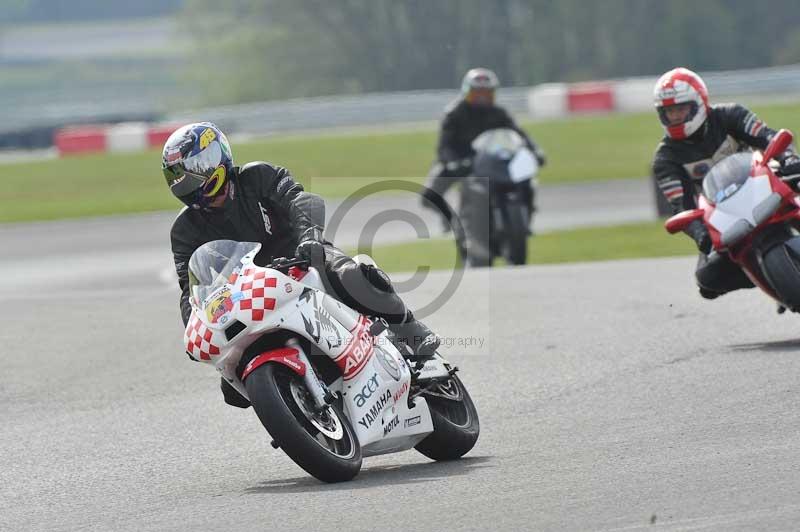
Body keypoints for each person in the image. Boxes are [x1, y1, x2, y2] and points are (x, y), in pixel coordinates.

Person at [163, 122, 440, 408]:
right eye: (178, 180)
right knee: (232, 390)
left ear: (213, 161)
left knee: (351, 275)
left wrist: (310, 237)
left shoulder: (258, 176)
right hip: (250, 294)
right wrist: (194, 323)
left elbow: (300, 200)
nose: (186, 185)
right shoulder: (184, 230)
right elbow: (191, 288)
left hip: (301, 259)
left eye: (189, 175)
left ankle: (411, 329)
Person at [652, 67, 800, 299]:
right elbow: (681, 205)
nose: (676, 116)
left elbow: (769, 137)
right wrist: (699, 233)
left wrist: (788, 158)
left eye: (681, 109)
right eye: (670, 112)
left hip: (764, 185)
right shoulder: (665, 158)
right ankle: (764, 274)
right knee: (708, 280)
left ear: (699, 103)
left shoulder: (731, 114)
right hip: (721, 215)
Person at [421, 67, 546, 225]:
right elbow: (444, 146)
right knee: (429, 196)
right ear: (467, 92)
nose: (481, 98)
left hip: (491, 160)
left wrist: (535, 151)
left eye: (486, 93)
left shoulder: (499, 113)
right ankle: (451, 220)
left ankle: (524, 216)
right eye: (477, 93)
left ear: (493, 94)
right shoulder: (454, 114)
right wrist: (452, 162)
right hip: (461, 161)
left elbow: (519, 135)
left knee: (526, 179)